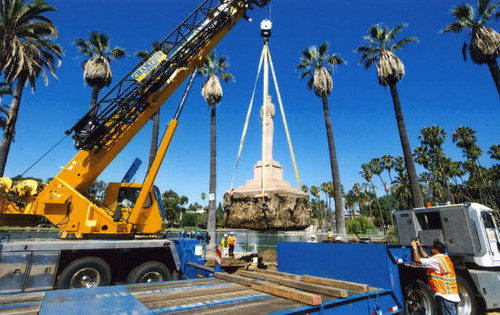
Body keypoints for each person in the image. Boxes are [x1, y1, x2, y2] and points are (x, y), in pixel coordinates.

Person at [410, 239, 460, 315]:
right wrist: (420, 248)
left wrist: (414, 247)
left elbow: (417, 260)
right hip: (453, 296)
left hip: (445, 297)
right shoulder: (445, 258)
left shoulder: (435, 260)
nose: (430, 249)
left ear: (436, 250)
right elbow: (427, 258)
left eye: (431, 248)